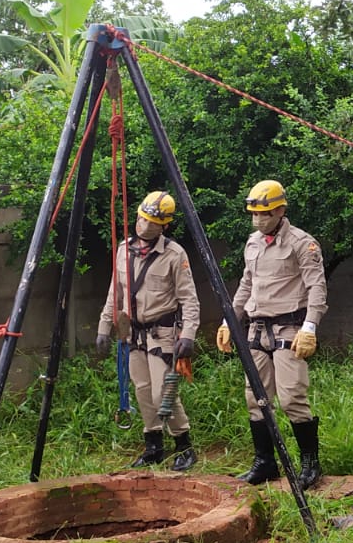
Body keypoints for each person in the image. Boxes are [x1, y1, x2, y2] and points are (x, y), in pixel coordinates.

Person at [218, 179, 328, 489]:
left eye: (264, 214)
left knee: (292, 396)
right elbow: (246, 285)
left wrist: (310, 327)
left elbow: (316, 287)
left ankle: (310, 464)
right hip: (256, 329)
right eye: (254, 214)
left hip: (288, 328)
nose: (258, 220)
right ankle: (264, 462)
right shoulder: (253, 243)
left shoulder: (301, 243)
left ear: (280, 211)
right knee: (255, 398)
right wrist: (229, 321)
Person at [96, 190, 200, 472]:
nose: (145, 226)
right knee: (142, 390)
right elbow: (115, 293)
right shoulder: (123, 250)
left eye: (153, 223)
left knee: (162, 392)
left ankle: (184, 445)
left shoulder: (174, 254)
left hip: (162, 333)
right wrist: (104, 327)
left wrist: (188, 334)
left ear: (164, 226)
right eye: (143, 219)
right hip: (133, 334)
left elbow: (189, 299)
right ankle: (153, 446)